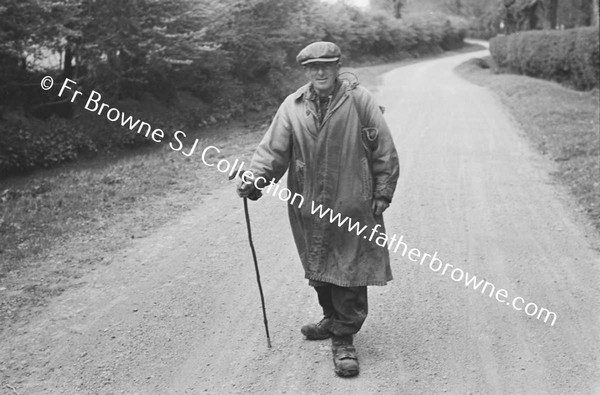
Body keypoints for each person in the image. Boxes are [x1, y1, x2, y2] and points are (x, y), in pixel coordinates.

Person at [237, 41, 400, 377]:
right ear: (306, 71)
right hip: (308, 204)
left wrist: (383, 190)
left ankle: (344, 339)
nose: (320, 72)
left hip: (353, 202)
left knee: (350, 271)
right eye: (313, 67)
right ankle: (330, 317)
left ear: (338, 66)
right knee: (319, 264)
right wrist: (255, 180)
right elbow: (273, 151)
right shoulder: (293, 106)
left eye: (327, 65)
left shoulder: (359, 100)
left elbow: (383, 148)